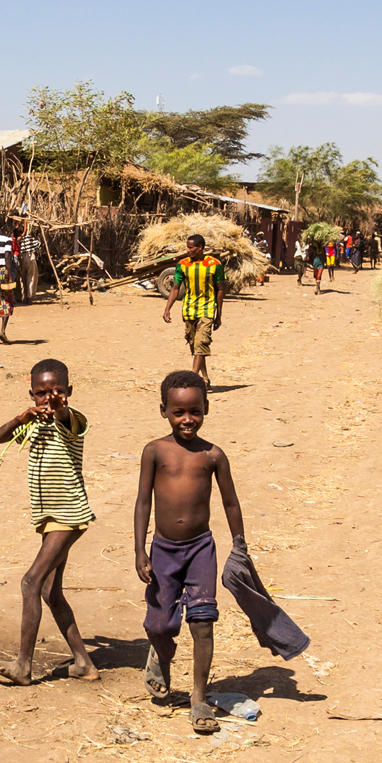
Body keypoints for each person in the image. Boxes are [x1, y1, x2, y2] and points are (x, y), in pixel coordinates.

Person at [135, 370, 244, 735]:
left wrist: (240, 545)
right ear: (163, 411)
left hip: (200, 549)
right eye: (178, 412)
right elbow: (143, 502)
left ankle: (199, 698)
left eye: (195, 411)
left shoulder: (213, 455)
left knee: (202, 622)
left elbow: (230, 502)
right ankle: (161, 657)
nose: (187, 419)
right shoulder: (154, 451)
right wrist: (140, 550)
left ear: (206, 409)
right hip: (163, 550)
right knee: (160, 625)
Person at [0, 358, 99, 686]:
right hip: (50, 516)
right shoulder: (33, 422)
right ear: (32, 394)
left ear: (69, 392)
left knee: (30, 582)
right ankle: (83, 663)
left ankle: (23, 665)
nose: (49, 398)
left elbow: (64, 416)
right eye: (41, 393)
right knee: (50, 591)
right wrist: (21, 417)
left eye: (57, 391)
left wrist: (60, 408)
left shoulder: (72, 419)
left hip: (68, 514)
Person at [160, 233, 225, 387]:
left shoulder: (214, 264)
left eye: (191, 248)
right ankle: (205, 379)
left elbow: (220, 289)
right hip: (189, 310)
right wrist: (167, 308)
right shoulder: (182, 265)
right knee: (195, 346)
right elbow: (175, 288)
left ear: (200, 247)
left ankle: (192, 381)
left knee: (201, 344)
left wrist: (219, 315)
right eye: (187, 247)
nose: (188, 250)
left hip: (207, 309)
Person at [17, 224, 43, 302]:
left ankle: (24, 296)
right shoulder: (32, 239)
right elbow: (39, 244)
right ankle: (29, 296)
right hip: (31, 257)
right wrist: (38, 239)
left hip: (22, 258)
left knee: (23, 278)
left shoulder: (20, 240)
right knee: (31, 277)